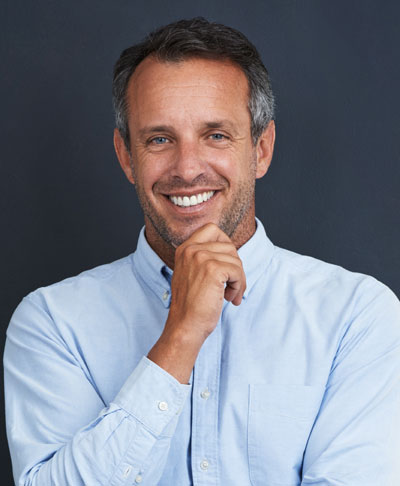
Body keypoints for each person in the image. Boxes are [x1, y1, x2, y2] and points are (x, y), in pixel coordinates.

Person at [4, 17, 400, 486]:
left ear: (262, 149)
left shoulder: (358, 317)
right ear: (126, 156)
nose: (187, 169)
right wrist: (180, 335)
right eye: (159, 139)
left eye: (215, 135)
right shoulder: (52, 323)